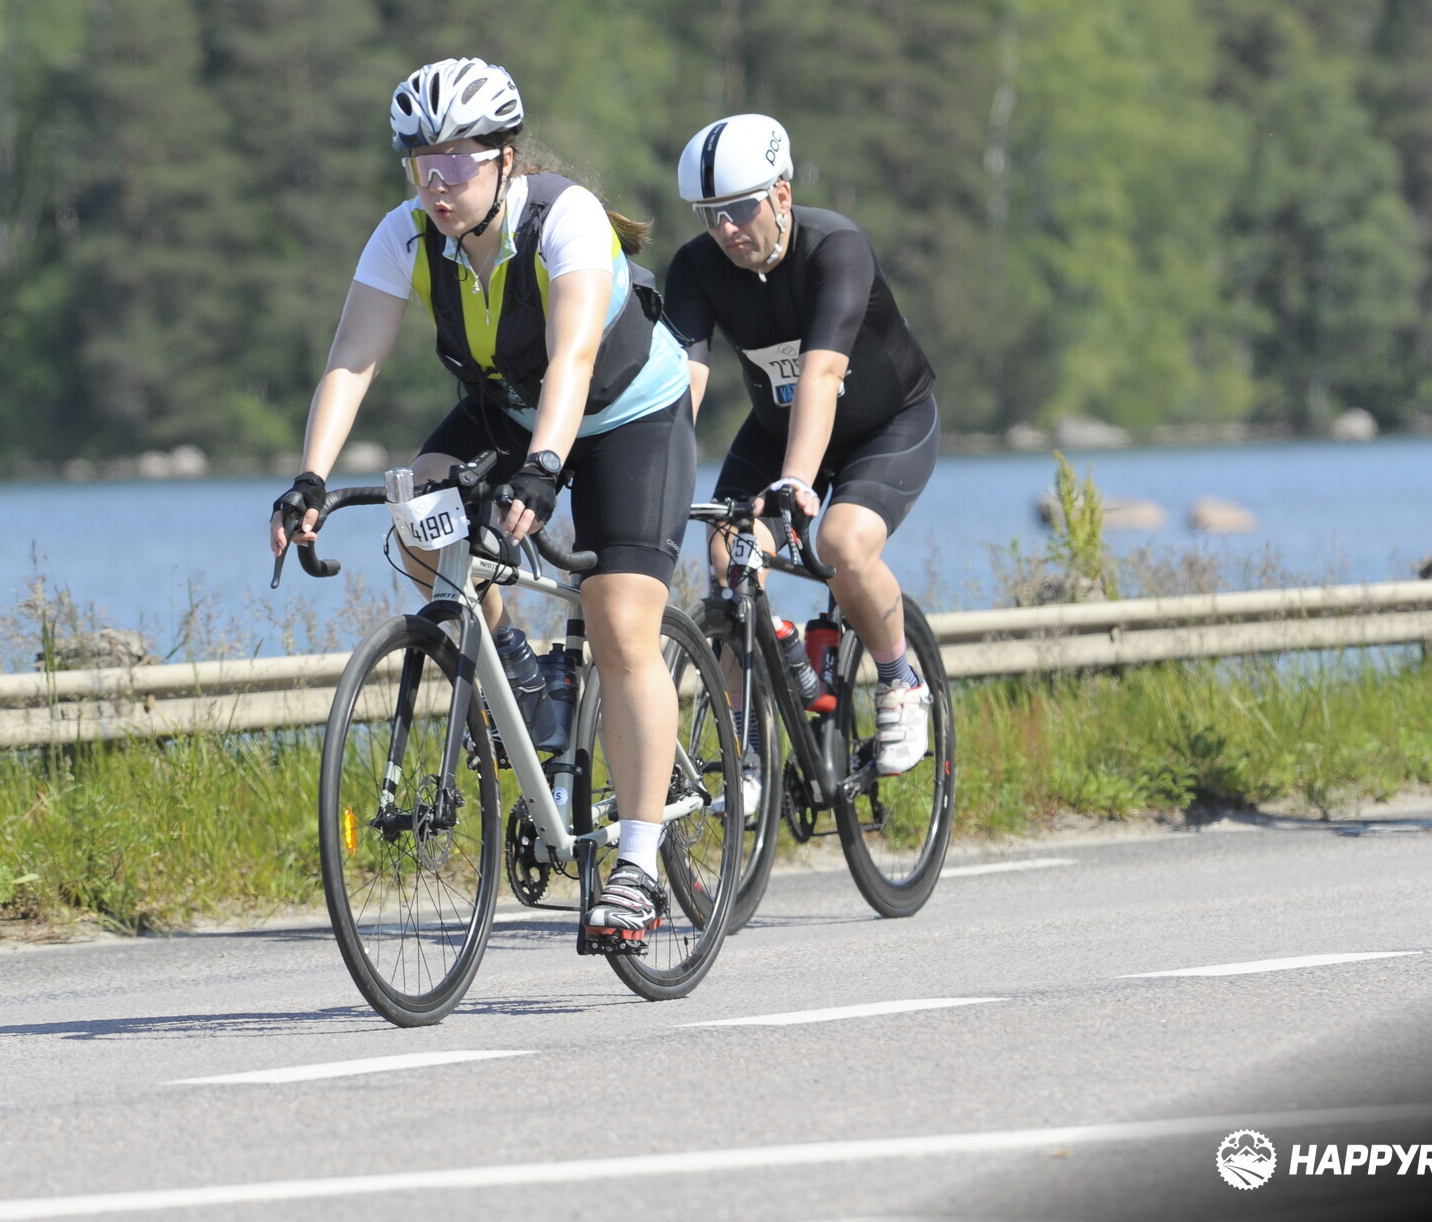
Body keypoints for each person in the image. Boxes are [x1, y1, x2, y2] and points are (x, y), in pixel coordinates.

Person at [269, 58, 699, 951]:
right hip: (510, 408)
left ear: (505, 158)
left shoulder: (565, 218)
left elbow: (574, 358)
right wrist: (310, 477)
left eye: (458, 161)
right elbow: (352, 360)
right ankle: (521, 675)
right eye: (421, 161)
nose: (437, 181)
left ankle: (637, 866)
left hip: (629, 414)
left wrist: (544, 467)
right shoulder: (404, 236)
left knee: (620, 621)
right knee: (416, 512)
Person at [666, 114, 941, 780]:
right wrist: (651, 473)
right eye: (709, 215)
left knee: (842, 543)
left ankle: (901, 681)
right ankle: (747, 748)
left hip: (887, 425)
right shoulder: (697, 267)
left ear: (781, 195)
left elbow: (820, 375)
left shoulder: (835, 247)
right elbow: (683, 384)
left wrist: (795, 481)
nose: (725, 230)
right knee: (730, 558)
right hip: (778, 429)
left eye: (739, 209)